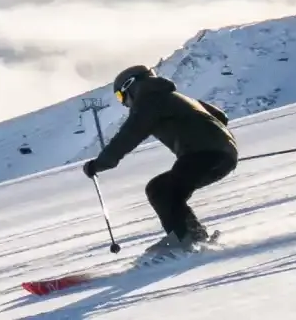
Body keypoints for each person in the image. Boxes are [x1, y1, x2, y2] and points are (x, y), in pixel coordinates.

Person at [82, 65, 238, 253]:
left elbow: (129, 135)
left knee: (161, 190)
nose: (123, 103)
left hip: (203, 153)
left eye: (121, 96)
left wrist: (99, 164)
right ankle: (192, 237)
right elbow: (221, 116)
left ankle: (184, 242)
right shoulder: (175, 97)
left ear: (131, 86)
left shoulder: (149, 101)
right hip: (222, 153)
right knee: (168, 190)